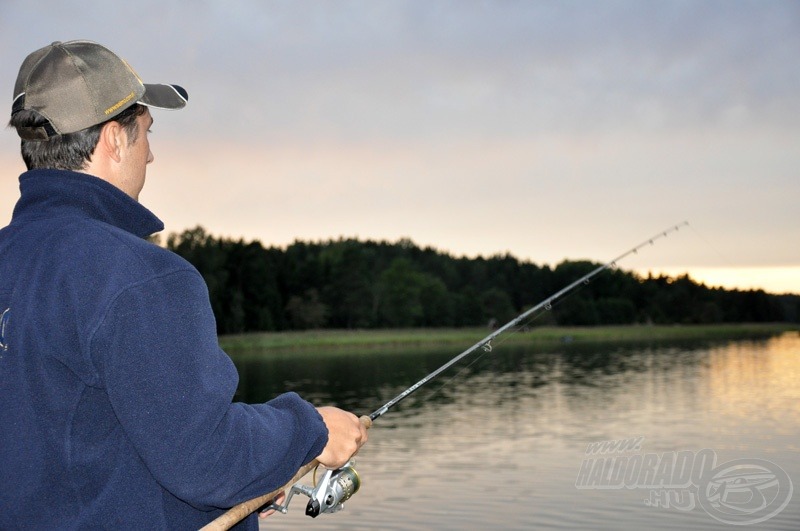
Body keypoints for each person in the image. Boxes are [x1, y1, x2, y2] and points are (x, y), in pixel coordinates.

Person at [0, 40, 368, 530]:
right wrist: (311, 429)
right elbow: (207, 458)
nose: (150, 155)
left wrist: (261, 477)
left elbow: (88, 439)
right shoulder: (140, 277)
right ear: (113, 138)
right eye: (147, 131)